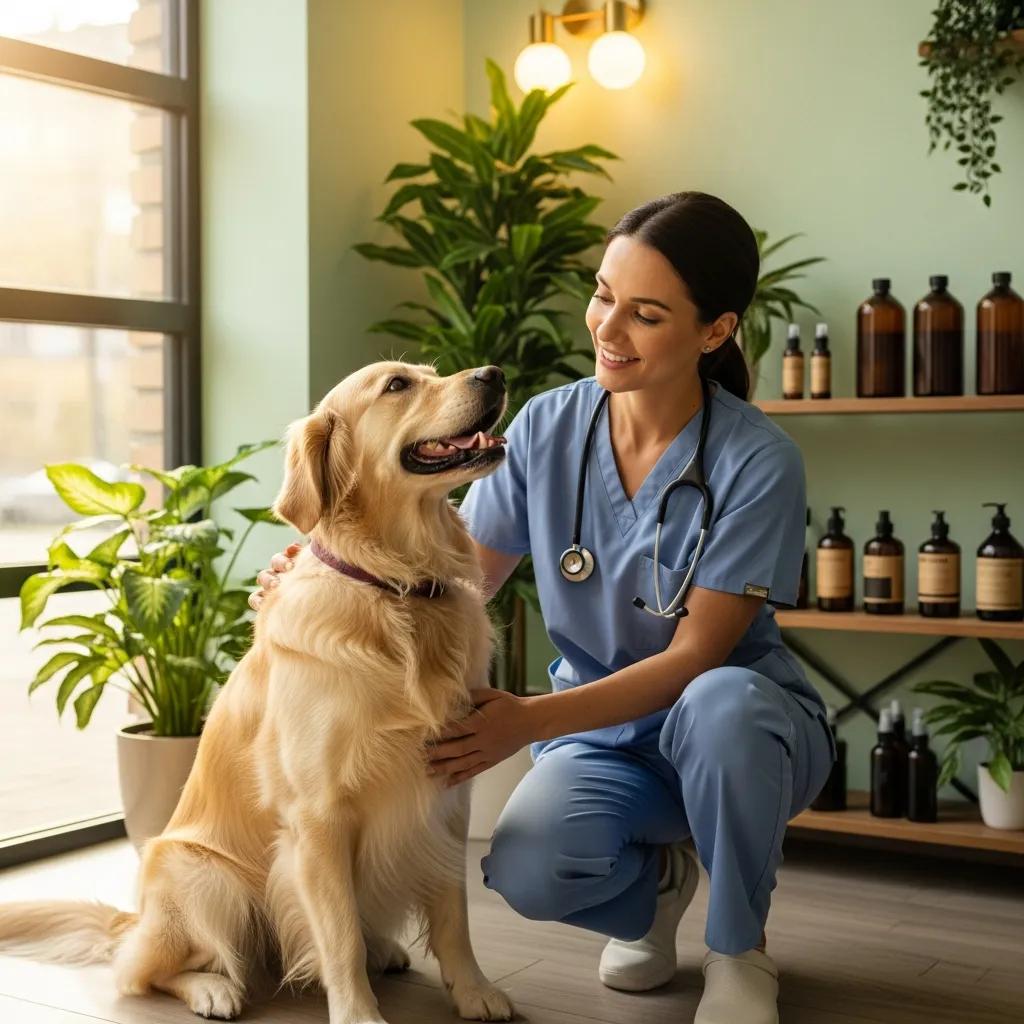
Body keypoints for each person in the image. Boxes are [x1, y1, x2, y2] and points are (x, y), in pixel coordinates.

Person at [250, 191, 836, 1024]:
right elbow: (456, 583)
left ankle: (740, 952)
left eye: (645, 314)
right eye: (603, 294)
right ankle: (657, 892)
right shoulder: (547, 427)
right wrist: (322, 575)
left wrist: (525, 719)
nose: (607, 327)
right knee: (525, 865)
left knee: (719, 705)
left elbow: (697, 655)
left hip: (741, 736)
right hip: (608, 745)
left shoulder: (758, 461)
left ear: (714, 331)